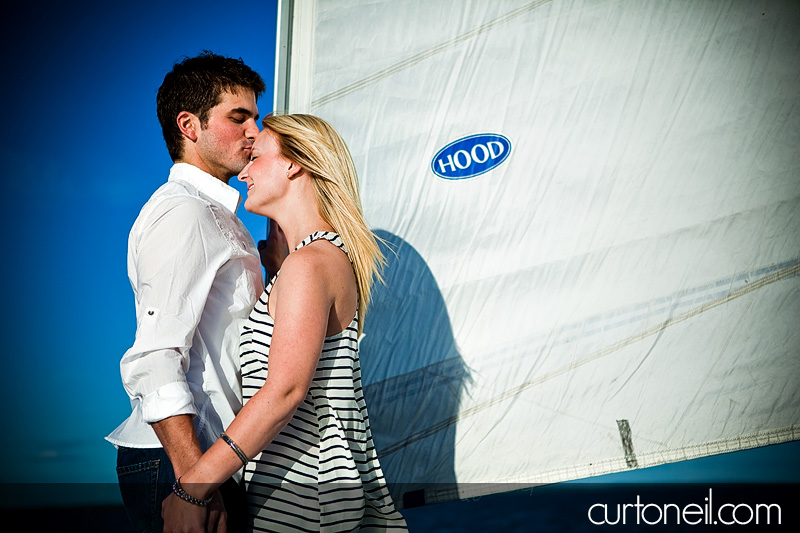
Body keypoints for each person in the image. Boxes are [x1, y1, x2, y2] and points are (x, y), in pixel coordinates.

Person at [161, 114, 408, 532]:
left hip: (308, 498)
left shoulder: (310, 265)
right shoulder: (315, 260)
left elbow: (285, 392)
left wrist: (193, 487)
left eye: (256, 157)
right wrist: (280, 271)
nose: (244, 173)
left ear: (293, 164)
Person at [106, 51, 266, 533]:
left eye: (256, 118)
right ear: (189, 125)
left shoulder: (220, 216)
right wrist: (194, 481)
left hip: (206, 458)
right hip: (181, 460)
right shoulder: (185, 213)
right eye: (238, 118)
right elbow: (155, 355)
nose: (254, 132)